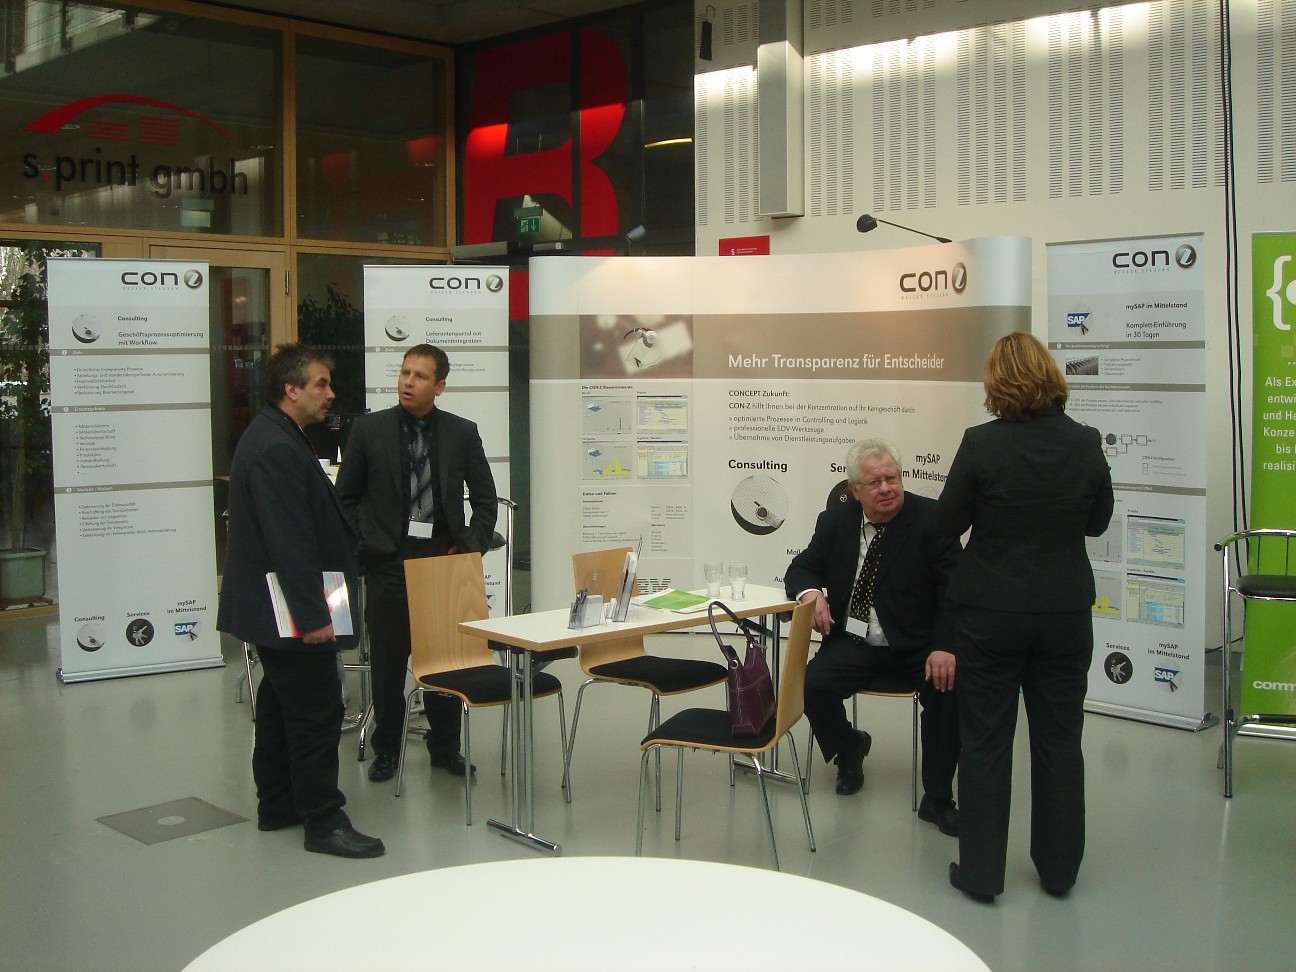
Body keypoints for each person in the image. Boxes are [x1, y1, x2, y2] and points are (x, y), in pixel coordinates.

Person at [936, 331, 1114, 904]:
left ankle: (982, 875)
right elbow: (1097, 523)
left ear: (996, 383)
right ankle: (1059, 871)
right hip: (1064, 612)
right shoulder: (1085, 442)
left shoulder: (981, 443)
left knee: (986, 742)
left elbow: (947, 523)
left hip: (990, 613)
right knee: (1060, 740)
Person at [217, 343, 384, 859]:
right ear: (291, 390)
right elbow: (289, 541)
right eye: (320, 384)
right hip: (290, 608)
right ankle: (323, 820)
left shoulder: (278, 435)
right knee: (315, 709)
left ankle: (279, 804)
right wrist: (314, 618)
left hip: (277, 606)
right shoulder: (275, 447)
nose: (330, 394)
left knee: (278, 704)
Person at [336, 343, 497, 784]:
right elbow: (345, 499)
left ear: (439, 386)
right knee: (389, 666)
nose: (408, 382)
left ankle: (445, 748)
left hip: (442, 564)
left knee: (445, 662)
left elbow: (486, 501)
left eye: (420, 376)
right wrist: (370, 543)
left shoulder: (462, 432)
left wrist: (469, 548)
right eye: (405, 372)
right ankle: (387, 750)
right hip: (390, 563)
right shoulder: (369, 430)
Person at [784, 438, 963, 835]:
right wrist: (811, 593)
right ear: (854, 489)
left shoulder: (932, 519)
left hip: (919, 647)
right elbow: (801, 568)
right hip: (857, 642)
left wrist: (945, 647)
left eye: (892, 478)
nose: (886, 488)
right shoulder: (835, 523)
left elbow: (956, 591)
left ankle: (937, 799)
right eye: (874, 482)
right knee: (812, 683)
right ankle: (849, 746)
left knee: (948, 692)